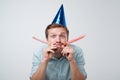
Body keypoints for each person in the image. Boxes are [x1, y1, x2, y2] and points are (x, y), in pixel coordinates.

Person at [30, 4, 87, 80]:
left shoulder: (77, 51)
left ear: (67, 38)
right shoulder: (38, 52)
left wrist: (72, 60)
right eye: (53, 36)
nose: (58, 40)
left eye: (62, 36)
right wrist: (45, 60)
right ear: (47, 39)